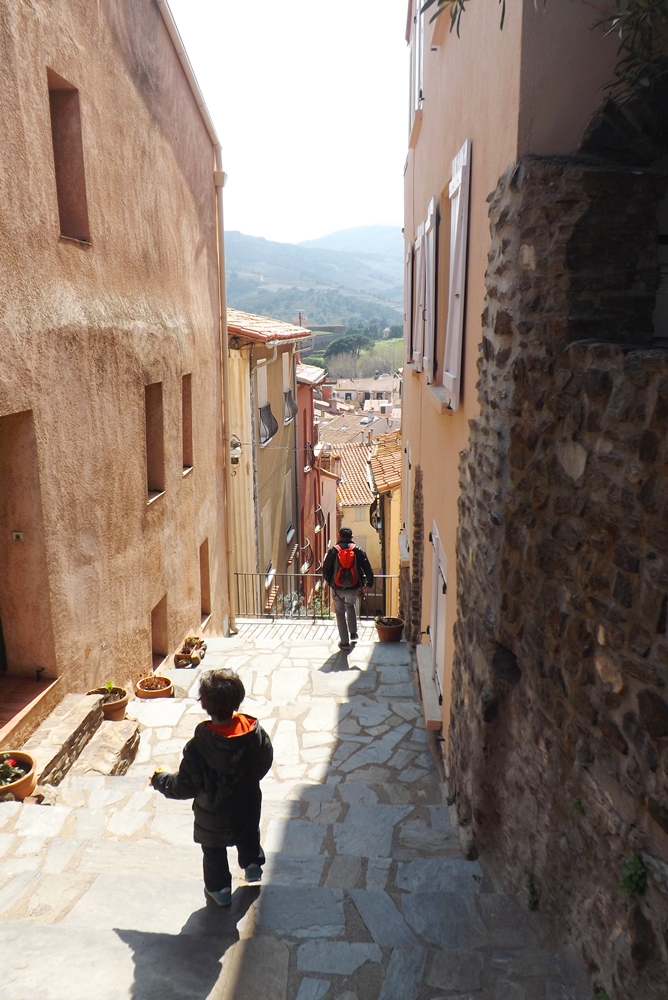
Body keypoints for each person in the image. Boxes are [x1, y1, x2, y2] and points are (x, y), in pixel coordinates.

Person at [150, 668, 273, 907]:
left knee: (214, 851)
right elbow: (265, 760)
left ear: (204, 703)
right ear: (238, 701)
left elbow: (183, 786)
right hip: (247, 805)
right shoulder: (255, 734)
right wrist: (248, 779)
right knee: (248, 834)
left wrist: (159, 779)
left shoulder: (198, 747)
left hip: (212, 817)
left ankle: (220, 890)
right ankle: (253, 867)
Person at [323, 526, 374, 650]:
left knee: (340, 613)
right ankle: (353, 633)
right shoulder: (357, 550)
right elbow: (367, 568)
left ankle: (344, 643)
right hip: (353, 586)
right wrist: (369, 584)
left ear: (339, 536)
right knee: (350, 606)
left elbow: (325, 570)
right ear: (352, 537)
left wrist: (331, 583)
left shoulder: (333, 551)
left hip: (337, 587)